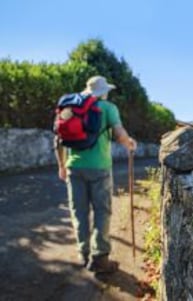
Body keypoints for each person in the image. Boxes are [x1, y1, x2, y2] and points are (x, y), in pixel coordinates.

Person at [54, 75, 137, 273]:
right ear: (104, 92)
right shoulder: (108, 108)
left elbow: (57, 140)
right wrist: (130, 144)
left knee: (79, 212)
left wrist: (61, 166)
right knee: (102, 211)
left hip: (74, 167)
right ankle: (99, 258)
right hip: (99, 168)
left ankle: (84, 253)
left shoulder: (70, 108)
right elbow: (119, 133)